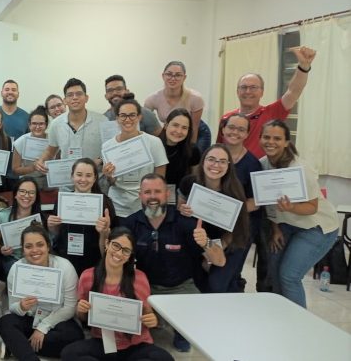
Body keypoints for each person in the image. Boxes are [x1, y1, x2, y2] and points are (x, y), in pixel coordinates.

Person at [121, 173, 224, 352]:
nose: (152, 197)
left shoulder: (186, 223)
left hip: (181, 288)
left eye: (157, 191)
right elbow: (114, 257)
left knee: (195, 321)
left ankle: (179, 329)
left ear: (167, 194)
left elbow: (220, 261)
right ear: (140, 195)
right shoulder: (131, 223)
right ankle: (157, 321)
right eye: (147, 192)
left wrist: (205, 242)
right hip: (146, 287)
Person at [61, 227, 173, 361]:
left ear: (130, 255)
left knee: (164, 358)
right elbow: (83, 317)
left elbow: (148, 315)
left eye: (126, 250)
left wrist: (152, 320)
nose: (119, 253)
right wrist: (81, 310)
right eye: (116, 245)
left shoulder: (139, 279)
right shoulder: (88, 276)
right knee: (69, 353)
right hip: (103, 342)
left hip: (135, 345)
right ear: (107, 244)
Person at [260, 120, 338, 308]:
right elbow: (267, 203)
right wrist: (275, 228)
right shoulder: (262, 164)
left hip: (316, 227)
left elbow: (312, 207)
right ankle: (281, 316)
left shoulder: (301, 168)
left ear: (286, 142)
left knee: (289, 275)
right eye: (266, 137)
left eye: (277, 138)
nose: (271, 142)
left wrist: (291, 208)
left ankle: (299, 322)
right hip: (286, 225)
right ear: (260, 139)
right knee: (275, 273)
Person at [0, 222, 84, 361]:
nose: (35, 250)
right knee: (5, 322)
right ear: (23, 249)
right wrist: (21, 306)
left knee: (75, 337)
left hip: (56, 320)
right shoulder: (16, 269)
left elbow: (69, 308)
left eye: (40, 245)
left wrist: (43, 327)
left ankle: (17, 345)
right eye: (28, 246)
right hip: (29, 318)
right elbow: (12, 307)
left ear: (48, 246)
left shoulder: (65, 267)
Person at [217, 46, 317, 158]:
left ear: (262, 92)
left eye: (253, 87)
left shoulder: (272, 113)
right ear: (237, 91)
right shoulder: (227, 119)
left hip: (261, 169)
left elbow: (293, 91)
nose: (248, 91)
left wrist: (303, 67)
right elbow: (219, 150)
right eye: (243, 87)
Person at [177, 144, 251, 294]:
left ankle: (235, 286)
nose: (216, 165)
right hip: (198, 240)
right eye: (211, 159)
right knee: (197, 282)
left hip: (228, 242)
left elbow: (235, 231)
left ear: (228, 166)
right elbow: (180, 205)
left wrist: (212, 252)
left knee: (216, 285)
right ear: (203, 161)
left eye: (222, 161)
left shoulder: (234, 191)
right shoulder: (189, 182)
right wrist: (182, 209)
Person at [219, 113, 268, 291]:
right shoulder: (213, 155)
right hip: (215, 223)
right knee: (213, 269)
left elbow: (256, 201)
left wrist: (229, 211)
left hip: (241, 227)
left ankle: (234, 299)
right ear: (223, 129)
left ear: (247, 134)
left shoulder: (252, 164)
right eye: (231, 127)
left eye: (241, 129)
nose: (235, 132)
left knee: (230, 272)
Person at [48, 158, 117, 275]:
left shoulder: (105, 203)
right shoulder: (62, 200)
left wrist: (105, 232)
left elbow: (113, 239)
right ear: (72, 176)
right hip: (66, 260)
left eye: (88, 175)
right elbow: (57, 233)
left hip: (94, 262)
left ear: (95, 178)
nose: (83, 179)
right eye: (79, 175)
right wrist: (52, 226)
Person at [35, 78, 107, 189]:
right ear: (65, 100)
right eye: (70, 95)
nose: (74, 98)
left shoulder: (102, 121)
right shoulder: (56, 124)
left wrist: (100, 160)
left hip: (96, 185)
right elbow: (50, 150)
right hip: (67, 185)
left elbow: (110, 150)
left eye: (79, 94)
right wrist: (41, 160)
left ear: (86, 98)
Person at [101, 98, 168, 218]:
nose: (128, 119)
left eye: (132, 115)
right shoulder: (107, 147)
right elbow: (112, 182)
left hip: (145, 206)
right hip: (118, 206)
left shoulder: (154, 143)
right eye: (123, 115)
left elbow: (160, 178)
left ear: (139, 117)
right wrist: (109, 176)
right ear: (117, 118)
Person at [144, 61, 208, 150]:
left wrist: (191, 150)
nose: (173, 78)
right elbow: (145, 123)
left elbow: (194, 128)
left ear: (184, 77)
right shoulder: (152, 99)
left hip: (195, 132)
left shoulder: (195, 98)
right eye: (169, 74)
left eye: (178, 75)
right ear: (163, 76)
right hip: (173, 132)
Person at [0, 179, 47, 275]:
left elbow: (49, 244)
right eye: (22, 191)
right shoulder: (2, 216)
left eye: (31, 192)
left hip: (37, 257)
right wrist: (1, 249)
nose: (27, 195)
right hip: (12, 258)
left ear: (36, 197)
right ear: (15, 194)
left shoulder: (41, 218)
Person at [158, 108, 200, 189]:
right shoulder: (153, 146)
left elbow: (196, 180)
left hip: (181, 193)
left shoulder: (193, 150)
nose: (179, 131)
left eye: (184, 128)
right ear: (166, 125)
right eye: (175, 125)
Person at [11, 106, 51, 191]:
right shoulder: (21, 141)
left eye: (41, 124)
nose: (37, 127)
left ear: (46, 125)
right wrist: (32, 168)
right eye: (34, 123)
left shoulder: (52, 141)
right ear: (29, 125)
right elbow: (15, 170)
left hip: (48, 182)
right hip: (27, 181)